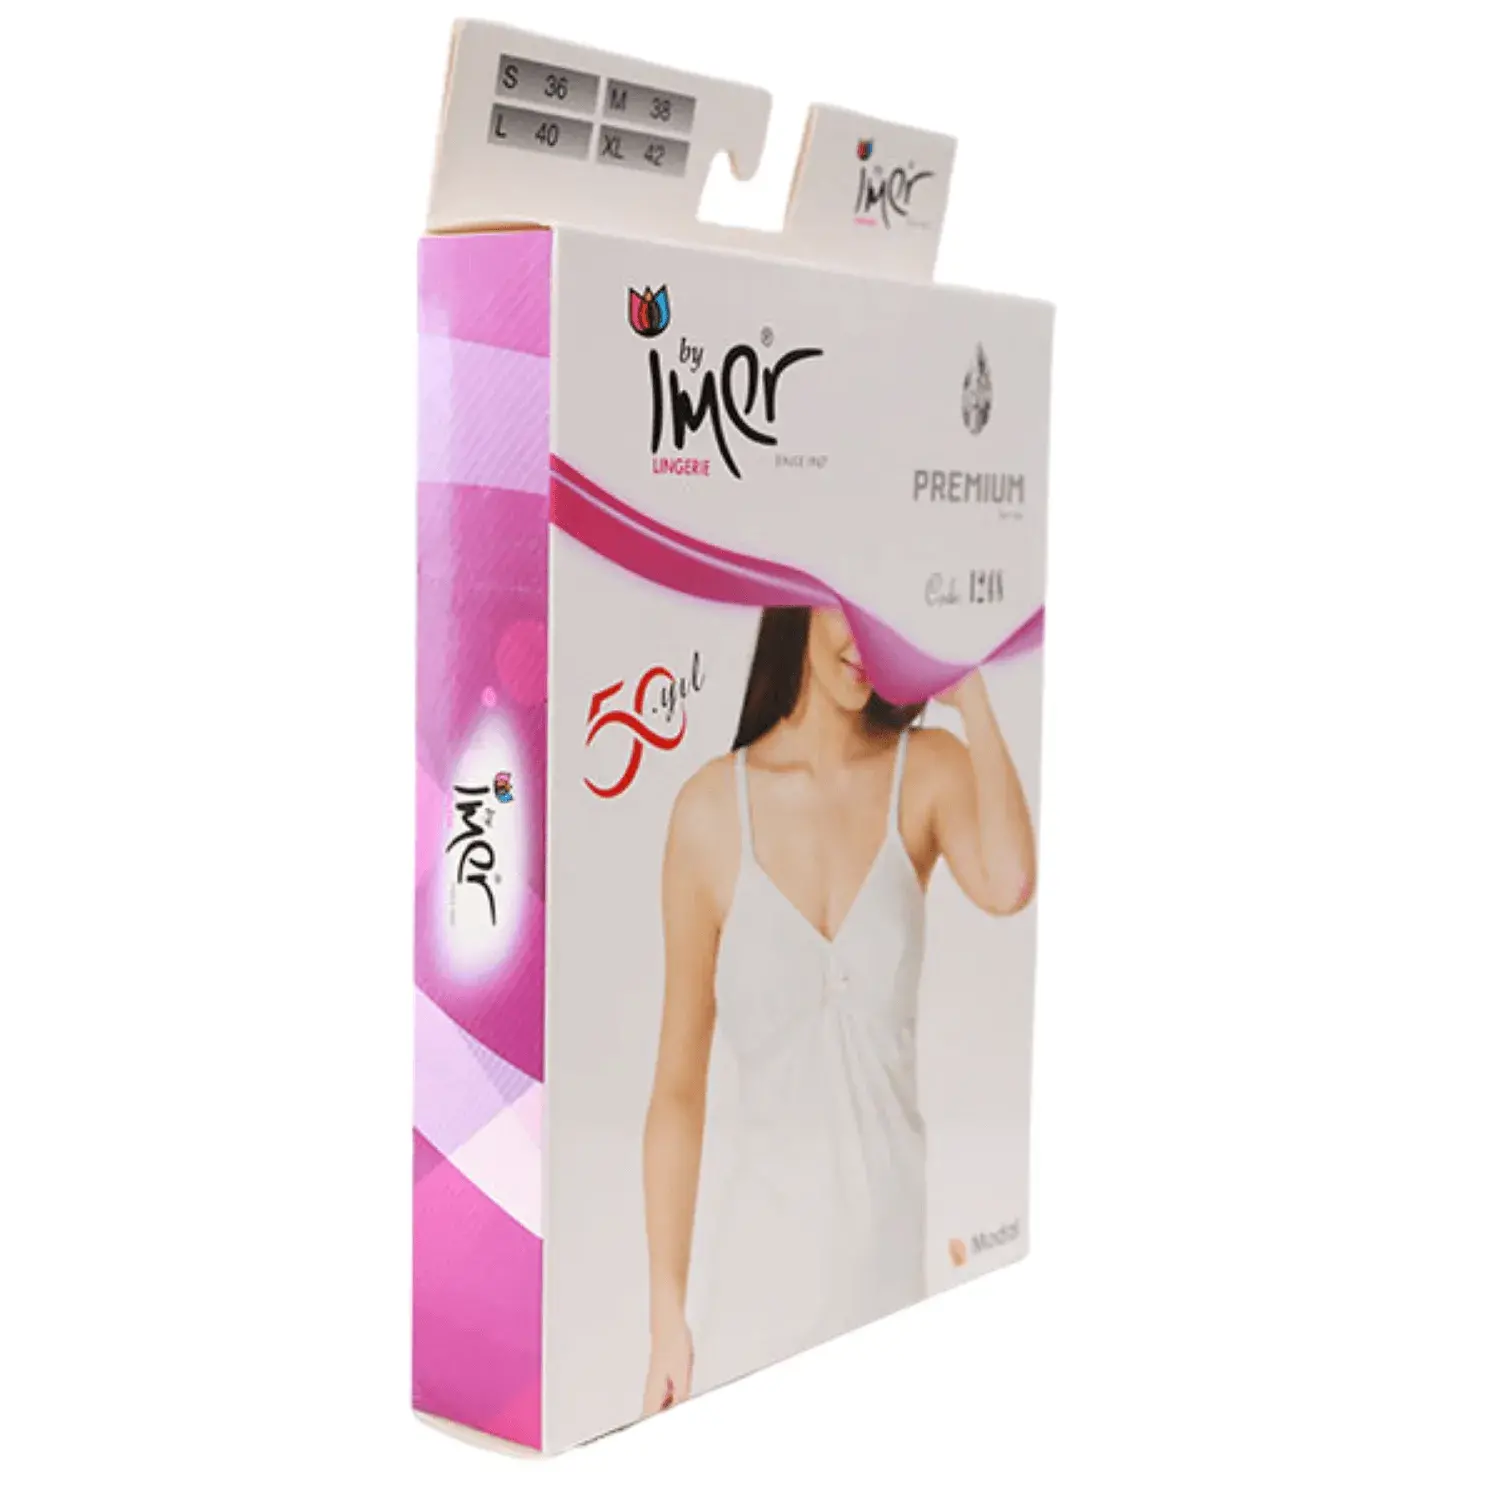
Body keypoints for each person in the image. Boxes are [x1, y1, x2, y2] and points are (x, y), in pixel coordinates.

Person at [641, 606, 1036, 1413]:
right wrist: (665, 1320)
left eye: (884, 617)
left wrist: (972, 695)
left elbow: (1009, 883)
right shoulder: (709, 812)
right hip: (754, 1283)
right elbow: (678, 1088)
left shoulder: (926, 770)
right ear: (794, 600)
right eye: (847, 612)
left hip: (888, 1286)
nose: (865, 645)